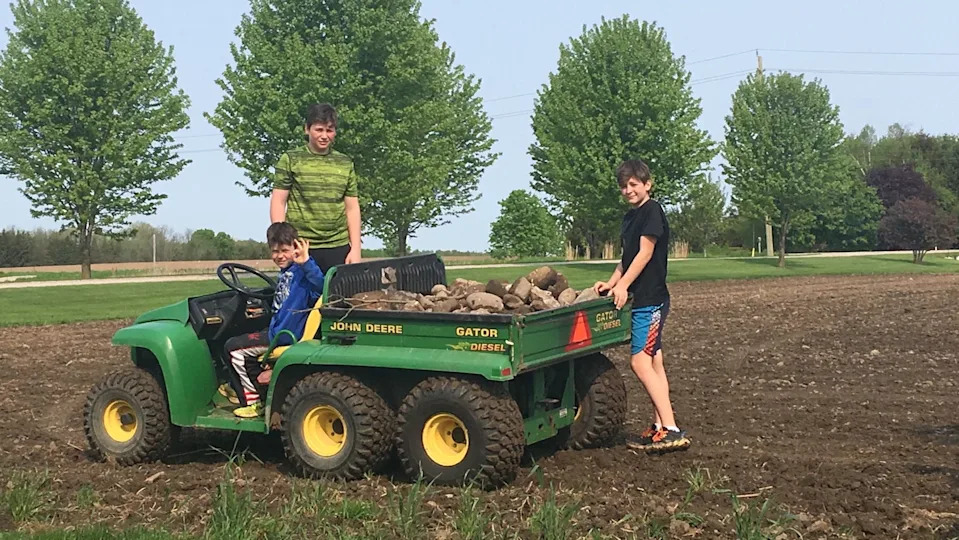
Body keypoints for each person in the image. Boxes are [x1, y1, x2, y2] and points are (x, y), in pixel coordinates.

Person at [593, 159, 690, 452]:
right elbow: (627, 257)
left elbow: (645, 253)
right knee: (654, 361)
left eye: (633, 184)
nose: (628, 190)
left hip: (651, 300)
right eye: (623, 186)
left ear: (647, 184)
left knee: (639, 362)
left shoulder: (653, 212)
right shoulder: (630, 218)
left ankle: (671, 429)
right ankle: (660, 426)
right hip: (641, 300)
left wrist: (624, 287)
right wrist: (613, 282)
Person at [223, 222, 325, 418]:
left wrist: (306, 262)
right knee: (245, 344)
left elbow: (321, 286)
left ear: (296, 248)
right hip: (277, 331)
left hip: (286, 336)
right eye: (275, 251)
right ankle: (253, 385)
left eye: (285, 250)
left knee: (233, 348)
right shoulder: (285, 273)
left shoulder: (301, 272)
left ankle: (254, 401)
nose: (279, 255)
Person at [269, 102, 362, 274]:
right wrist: (282, 244)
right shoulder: (290, 159)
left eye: (330, 130)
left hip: (338, 246)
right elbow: (278, 201)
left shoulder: (345, 162)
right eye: (319, 130)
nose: (324, 136)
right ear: (307, 129)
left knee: (338, 299)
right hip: (301, 247)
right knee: (299, 299)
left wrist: (355, 249)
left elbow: (352, 208)